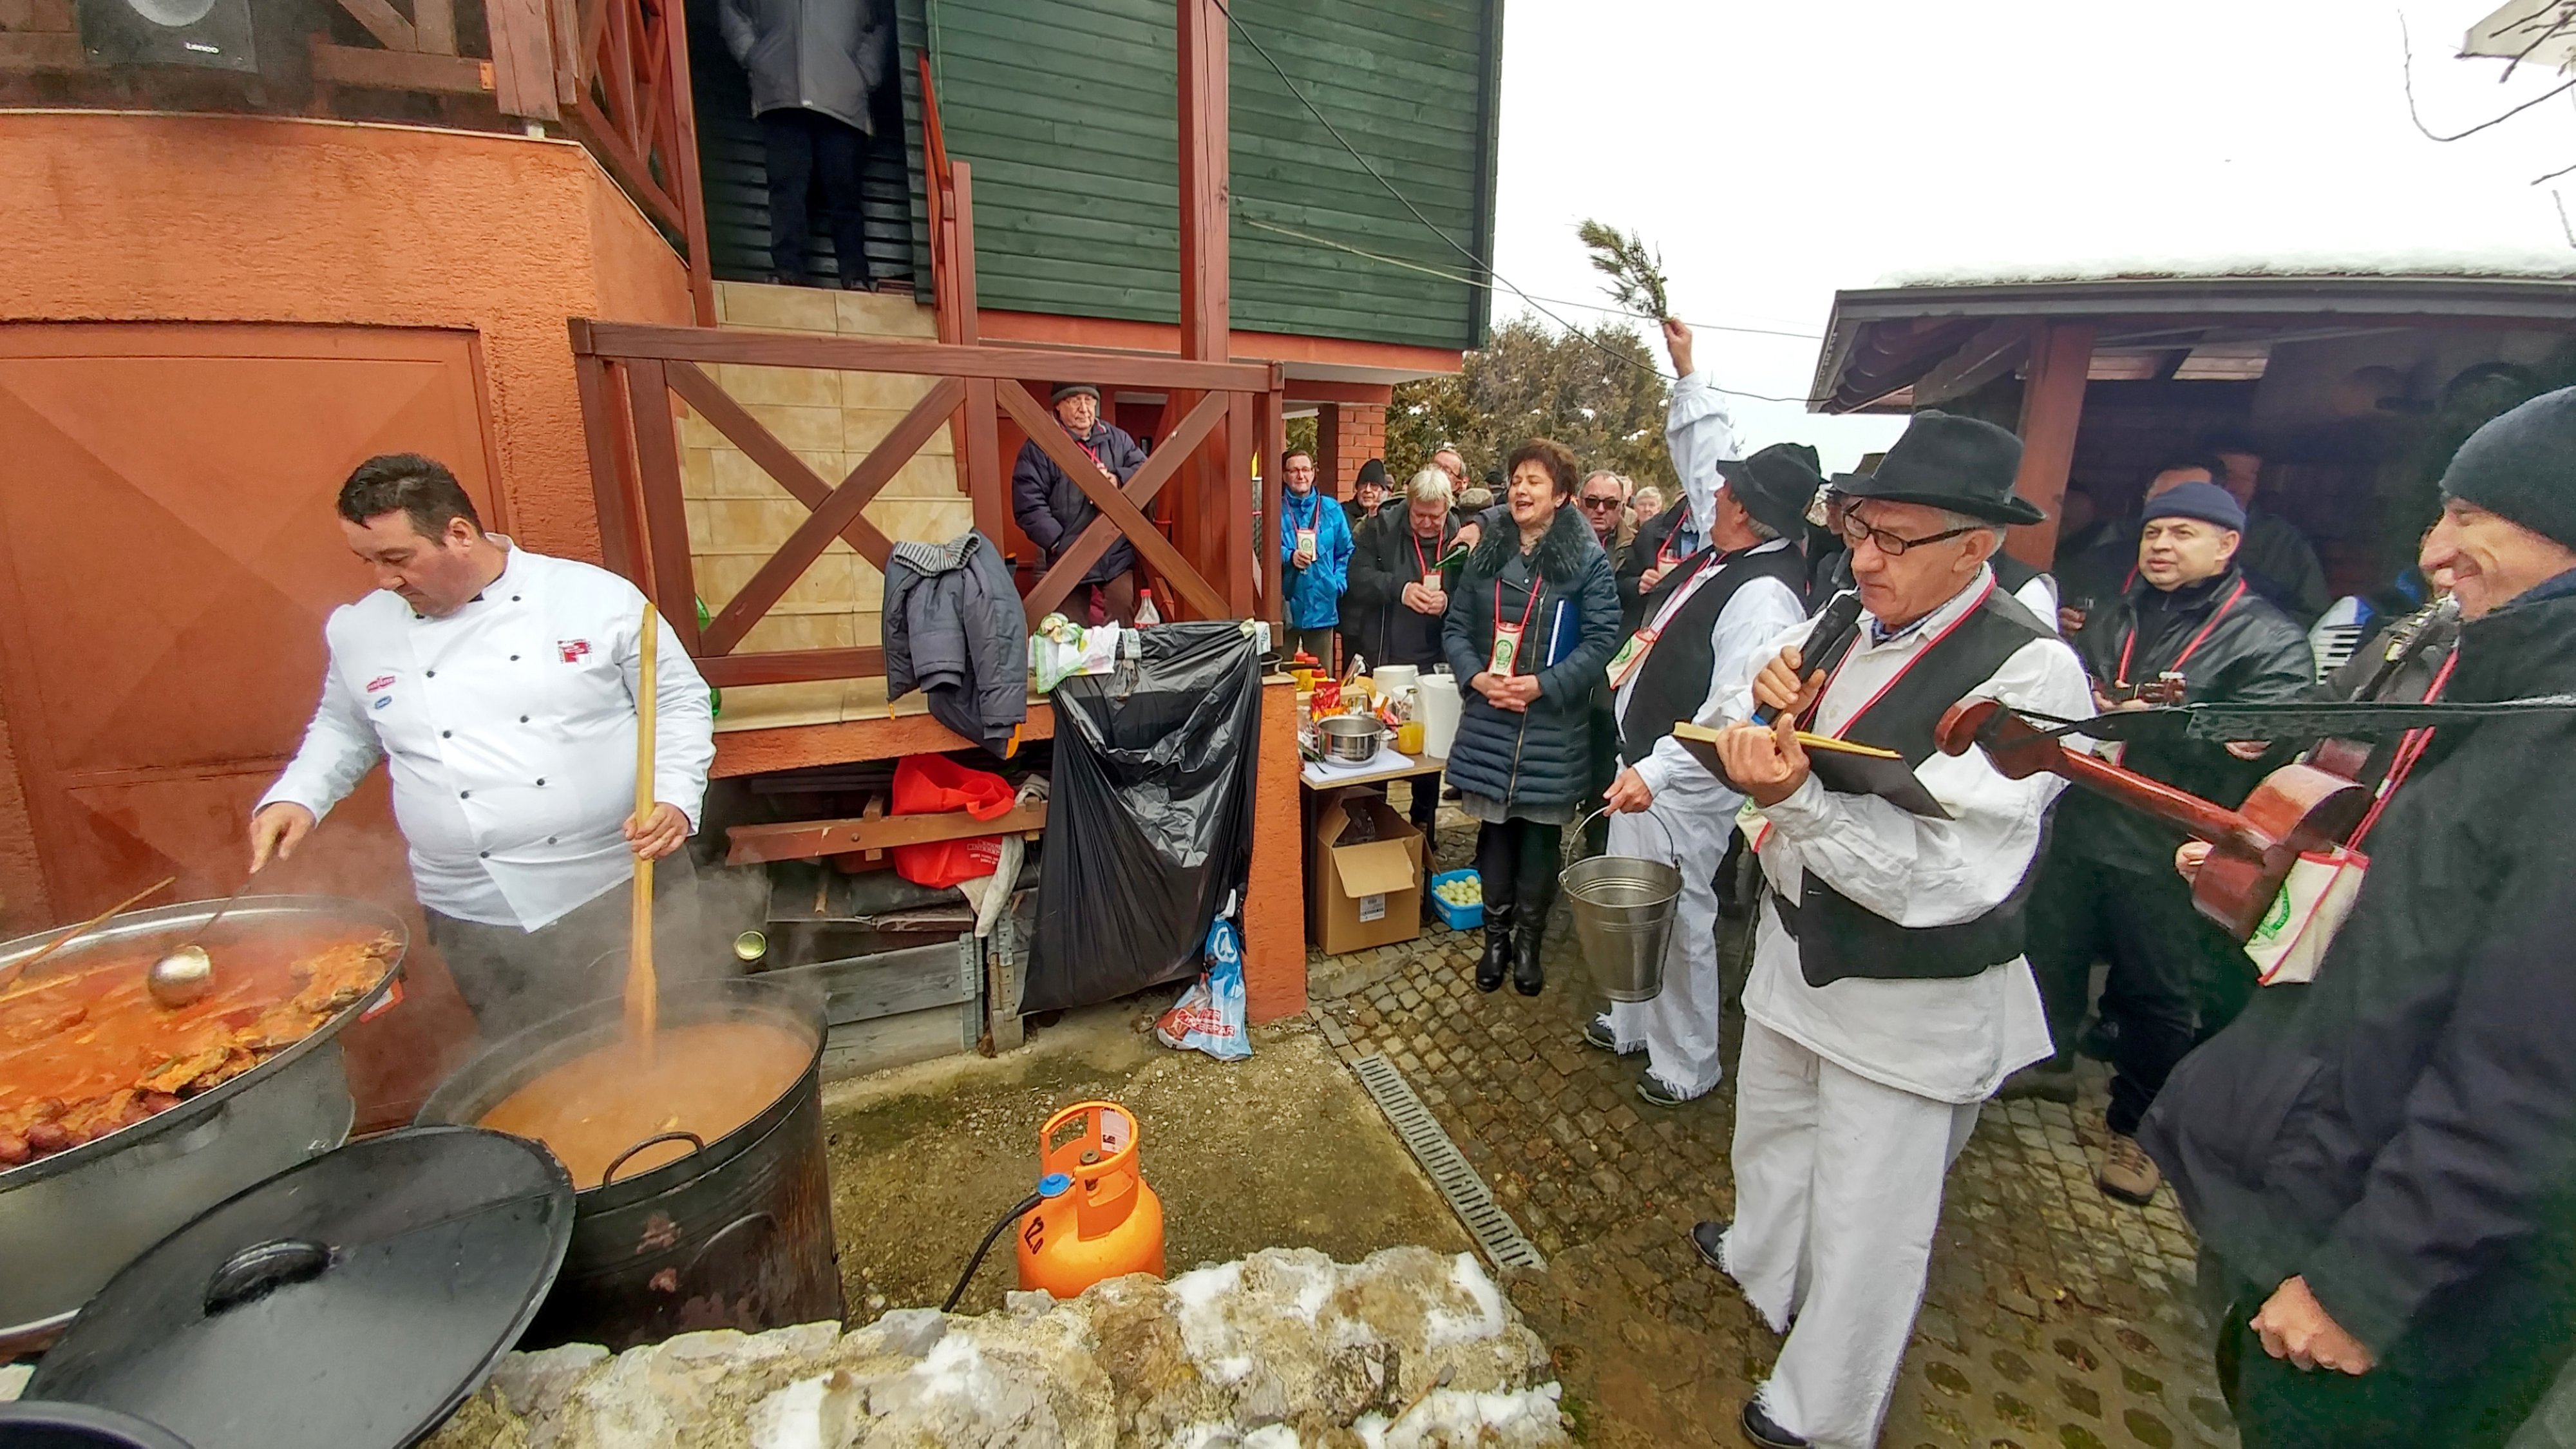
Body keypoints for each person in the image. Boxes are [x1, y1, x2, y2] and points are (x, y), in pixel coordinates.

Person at [2141, 386, 2576, 1448]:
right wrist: (2269, 879)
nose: (2437, 549)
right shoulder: (2478, 678)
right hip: (2316, 1179)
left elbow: (2534, 1069)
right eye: (2442, 512)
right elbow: (2413, 917)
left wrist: (2369, 1282)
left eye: (2472, 514)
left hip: (2421, 1279)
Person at [1689, 411, 2088, 1449]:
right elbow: (1774, 721)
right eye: (1860, 528)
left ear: (1977, 544)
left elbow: (1952, 873)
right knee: (1772, 1130)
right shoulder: (1849, 622)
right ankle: (1765, 1265)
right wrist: (1770, 703)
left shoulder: (2032, 674)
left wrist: (1798, 798)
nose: (1863, 556)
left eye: (1895, 539)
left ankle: (1822, 1407)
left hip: (1907, 989)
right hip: (1799, 948)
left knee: (1871, 1208)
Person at [253, 454, 716, 1035]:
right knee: (531, 1067)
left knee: (670, 1043)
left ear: (460, 534)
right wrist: (300, 795)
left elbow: (677, 702)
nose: (384, 580)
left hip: (616, 884)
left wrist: (673, 797)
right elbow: (346, 727)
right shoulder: (360, 629)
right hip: (471, 912)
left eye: (398, 558)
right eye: (367, 561)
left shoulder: (594, 600)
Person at [2016, 482, 2314, 1198]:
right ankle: (2048, 1061)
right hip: (2085, 815)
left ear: (2227, 545)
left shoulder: (2268, 637)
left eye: (2183, 533)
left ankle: (2139, 1132)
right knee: (2051, 947)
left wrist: (2147, 720)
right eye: (2154, 533)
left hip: (2174, 840)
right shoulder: (2114, 612)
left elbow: (2267, 735)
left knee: (2159, 993)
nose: (2161, 546)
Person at [1591, 442, 1811, 1106]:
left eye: (1725, 491)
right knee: (1634, 906)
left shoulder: (1764, 596)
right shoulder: (1732, 557)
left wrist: (1656, 772)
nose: (1711, 494)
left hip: (1683, 783)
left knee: (1679, 914)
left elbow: (1733, 711)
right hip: (1648, 763)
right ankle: (1631, 1018)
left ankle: (1687, 1062)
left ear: (1745, 510)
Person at [1441, 439, 1621, 998]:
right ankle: (1494, 938)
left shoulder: (1585, 560)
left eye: (1535, 481)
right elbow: (1455, 628)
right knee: (1493, 835)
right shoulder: (1488, 554)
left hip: (1550, 727)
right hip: (1491, 721)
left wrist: (1543, 685)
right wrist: (1477, 678)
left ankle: (1529, 944)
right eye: (1516, 479)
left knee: (1540, 842)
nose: (1521, 489)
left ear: (1562, 496)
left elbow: (1601, 640)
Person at [719, 0, 895, 289]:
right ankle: (788, 269)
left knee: (845, 191)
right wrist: (755, 56)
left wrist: (865, 72)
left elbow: (883, 19)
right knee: (786, 188)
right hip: (782, 93)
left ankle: (855, 275)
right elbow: (730, 8)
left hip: (843, 97)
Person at [1344, 468, 1460, 832]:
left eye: (1435, 516)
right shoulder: (1381, 528)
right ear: (1408, 504)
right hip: (1386, 656)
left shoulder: (1459, 536)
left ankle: (1423, 825)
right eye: (1419, 514)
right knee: (1379, 743)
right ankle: (1373, 820)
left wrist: (1449, 602)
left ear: (1448, 509)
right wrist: (1400, 589)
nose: (1427, 523)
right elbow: (1356, 577)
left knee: (1428, 746)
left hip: (1435, 659)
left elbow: (1477, 594)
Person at [1010, 383, 1148, 625]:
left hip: (1114, 552)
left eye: (1089, 400)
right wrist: (1057, 543)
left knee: (1122, 613)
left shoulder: (1118, 440)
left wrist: (1117, 479)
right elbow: (1028, 502)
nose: (1084, 409)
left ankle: (1121, 664)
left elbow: (1145, 470)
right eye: (1074, 400)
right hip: (1068, 553)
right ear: (1058, 406)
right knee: (1069, 627)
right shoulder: (1039, 447)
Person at [2207, 433, 2333, 627]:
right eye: (2229, 476)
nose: (2238, 487)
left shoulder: (2285, 541)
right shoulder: (2167, 534)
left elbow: (2313, 614)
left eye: (2248, 478)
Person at [1275, 449, 1353, 667]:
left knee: (1322, 678)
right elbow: (1262, 550)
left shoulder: (1332, 509)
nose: (1301, 476)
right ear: (1284, 476)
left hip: (1322, 603)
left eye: (1306, 470)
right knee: (1281, 678)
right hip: (1286, 604)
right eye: (1294, 470)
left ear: (1313, 473)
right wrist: (1289, 556)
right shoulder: (1274, 509)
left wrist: (1337, 584)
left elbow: (1345, 550)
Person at [1578, 471, 1637, 568]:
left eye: (1610, 503)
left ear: (1622, 507)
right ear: (1579, 503)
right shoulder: (1557, 541)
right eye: (1592, 501)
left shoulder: (1638, 546)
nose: (1600, 509)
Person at [1345, 458, 1390, 530]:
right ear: (1357, 488)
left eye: (1374, 485)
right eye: (1363, 484)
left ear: (1383, 491)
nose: (1367, 490)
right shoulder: (1343, 514)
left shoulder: (1389, 517)